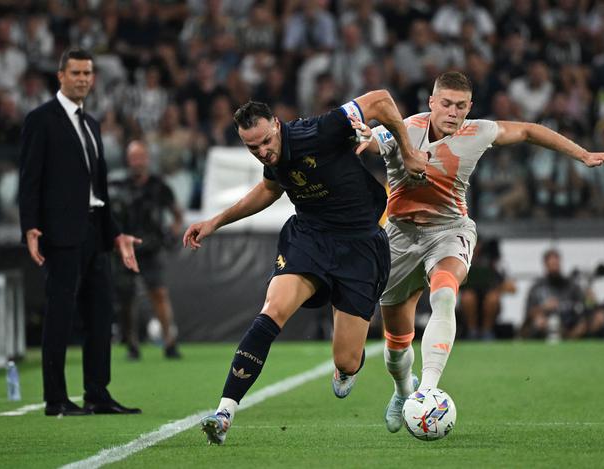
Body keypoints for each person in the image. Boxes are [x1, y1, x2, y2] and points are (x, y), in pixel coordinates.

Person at [353, 70, 604, 433]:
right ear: (432, 102)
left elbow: (528, 130)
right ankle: (405, 391)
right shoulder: (405, 129)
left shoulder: (478, 131)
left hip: (449, 231)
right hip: (399, 237)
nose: (453, 112)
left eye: (461, 106)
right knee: (397, 343)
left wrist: (583, 154)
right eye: (446, 103)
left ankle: (429, 391)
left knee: (445, 293)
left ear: (470, 107)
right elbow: (373, 140)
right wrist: (363, 135)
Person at [182, 90, 426, 445]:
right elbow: (269, 189)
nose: (263, 151)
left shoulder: (319, 130)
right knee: (273, 310)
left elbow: (382, 100)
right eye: (253, 148)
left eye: (266, 141)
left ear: (277, 126)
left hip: (360, 246)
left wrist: (407, 150)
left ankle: (351, 371)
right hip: (309, 238)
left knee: (346, 360)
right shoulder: (272, 155)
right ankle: (224, 413)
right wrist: (215, 222)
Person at [18, 48, 142, 416]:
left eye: (88, 73)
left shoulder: (91, 124)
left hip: (95, 232)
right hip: (60, 232)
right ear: (60, 75)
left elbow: (98, 188)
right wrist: (30, 225)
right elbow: (30, 180)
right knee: (59, 315)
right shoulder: (40, 120)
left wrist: (116, 234)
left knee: (100, 314)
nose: (84, 79)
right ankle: (55, 399)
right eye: (76, 73)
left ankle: (97, 394)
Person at [109, 140, 183, 360]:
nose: (137, 162)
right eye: (133, 157)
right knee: (126, 298)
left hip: (151, 246)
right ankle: (131, 344)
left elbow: (177, 214)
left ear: (147, 158)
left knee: (158, 293)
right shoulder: (118, 187)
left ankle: (169, 341)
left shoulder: (159, 186)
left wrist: (173, 231)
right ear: (128, 160)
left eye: (141, 157)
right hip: (126, 248)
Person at [520, 249, 604, 340]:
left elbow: (586, 306)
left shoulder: (571, 286)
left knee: (599, 318)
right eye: (551, 265)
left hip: (572, 326)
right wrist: (544, 307)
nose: (554, 267)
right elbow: (528, 313)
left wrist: (590, 300)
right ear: (545, 265)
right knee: (540, 322)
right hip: (549, 326)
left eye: (556, 264)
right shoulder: (537, 288)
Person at [458, 238, 516, 340]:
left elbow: (512, 288)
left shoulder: (494, 263)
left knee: (492, 298)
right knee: (468, 297)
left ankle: (487, 332)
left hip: (490, 306)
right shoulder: (462, 261)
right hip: (468, 306)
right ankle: (472, 332)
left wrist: (497, 289)